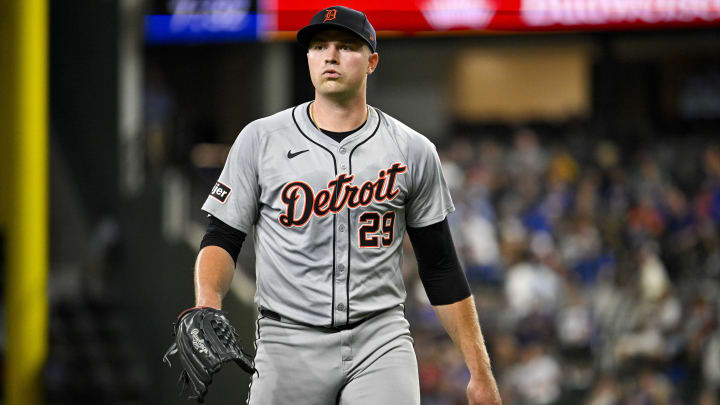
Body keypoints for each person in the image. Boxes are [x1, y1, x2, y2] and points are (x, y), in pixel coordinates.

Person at [195, 5, 501, 405]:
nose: (330, 56)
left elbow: (440, 265)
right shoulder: (260, 139)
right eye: (319, 46)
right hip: (288, 339)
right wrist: (207, 302)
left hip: (380, 339)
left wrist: (479, 371)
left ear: (372, 61)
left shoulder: (412, 150)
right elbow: (222, 236)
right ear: (307, 58)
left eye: (345, 46)